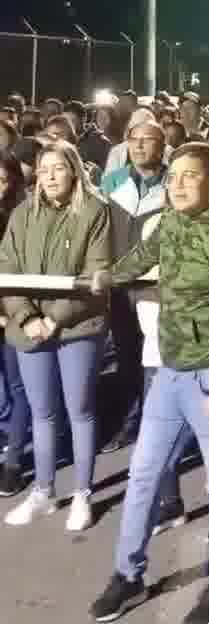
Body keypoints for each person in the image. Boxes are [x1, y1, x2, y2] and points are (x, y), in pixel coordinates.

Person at [88, 143, 209, 624]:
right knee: (144, 472)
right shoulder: (169, 221)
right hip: (172, 369)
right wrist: (109, 275)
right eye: (174, 177)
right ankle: (128, 574)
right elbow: (142, 256)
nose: (179, 184)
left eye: (191, 176)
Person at [0, 140, 111, 530]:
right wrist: (28, 316)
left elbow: (96, 273)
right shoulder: (22, 214)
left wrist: (56, 318)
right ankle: (43, 492)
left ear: (74, 170)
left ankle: (83, 493)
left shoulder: (96, 211)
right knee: (42, 413)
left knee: (79, 410)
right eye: (43, 169)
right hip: (28, 327)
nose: (48, 176)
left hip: (78, 326)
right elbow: (6, 268)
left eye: (58, 168)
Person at [100, 120, 169, 453]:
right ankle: (128, 424)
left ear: (162, 145)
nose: (140, 146)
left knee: (157, 360)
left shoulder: (174, 182)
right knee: (127, 357)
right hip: (120, 285)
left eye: (148, 140)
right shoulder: (113, 182)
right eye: (134, 140)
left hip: (156, 287)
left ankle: (157, 427)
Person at [0, 152, 31, 497]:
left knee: (19, 388)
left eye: (3, 179)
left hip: (13, 314)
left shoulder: (20, 218)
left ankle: (13, 462)